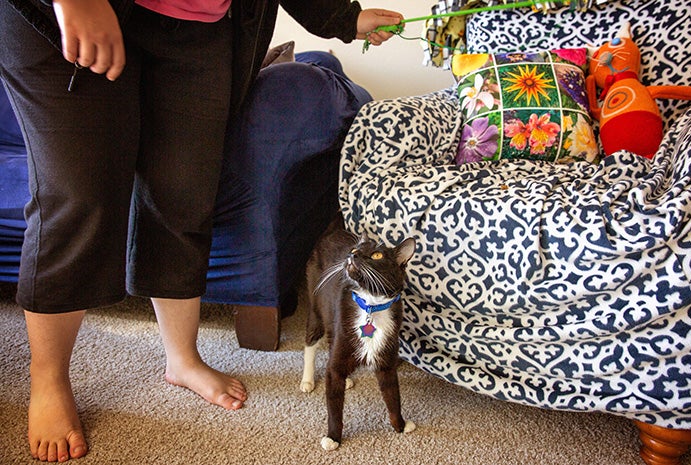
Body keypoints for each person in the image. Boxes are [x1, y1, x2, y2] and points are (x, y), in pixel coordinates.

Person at [0, 0, 402, 462]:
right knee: (78, 197)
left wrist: (343, 18)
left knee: (184, 194)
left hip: (198, 27)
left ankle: (182, 359)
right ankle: (49, 380)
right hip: (71, 14)